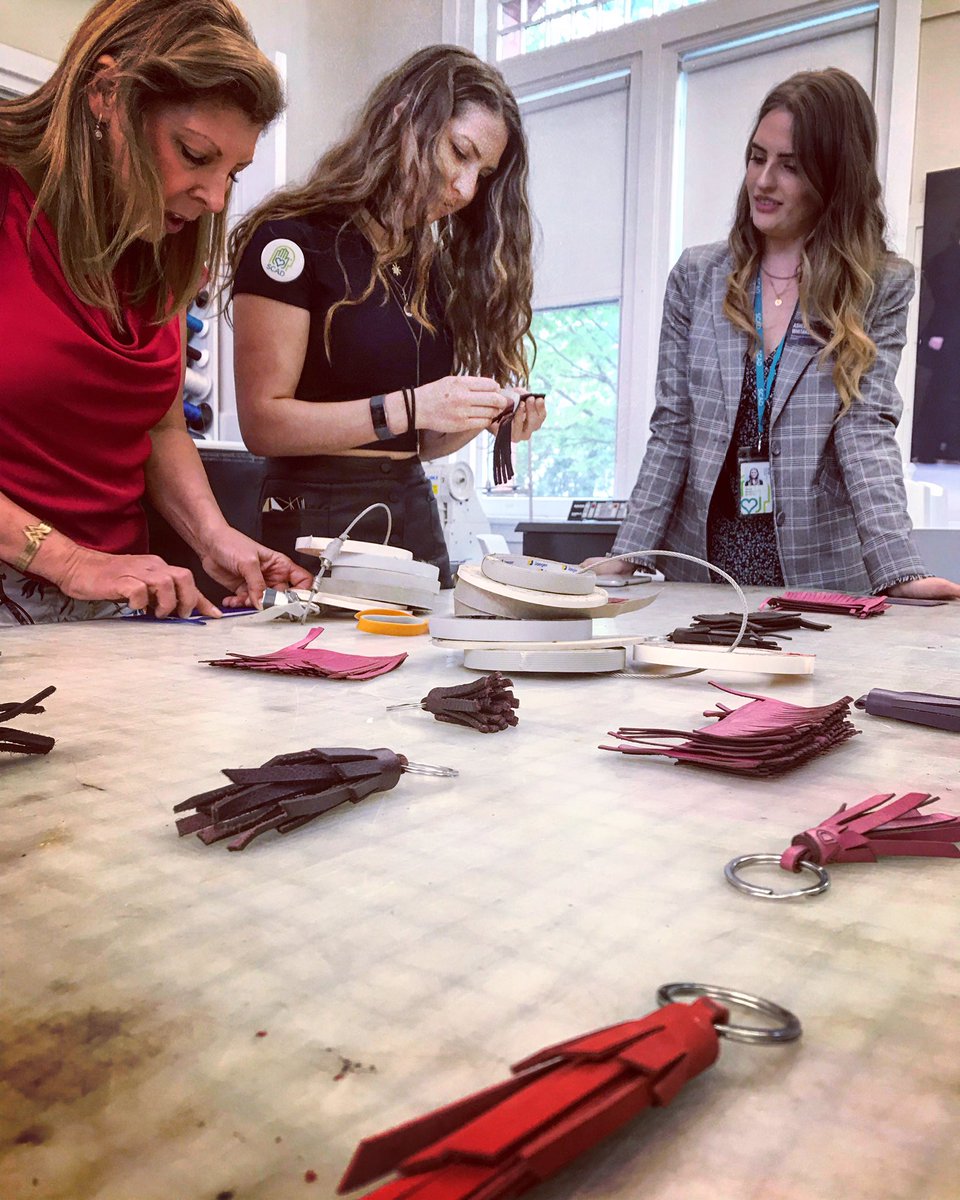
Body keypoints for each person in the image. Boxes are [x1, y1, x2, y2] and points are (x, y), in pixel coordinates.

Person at [590, 68, 960, 599]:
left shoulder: (878, 284)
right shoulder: (697, 277)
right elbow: (674, 428)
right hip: (703, 572)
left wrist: (899, 569)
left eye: (789, 166)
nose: (763, 181)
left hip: (819, 574)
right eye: (756, 157)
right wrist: (625, 555)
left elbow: (865, 430)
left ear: (834, 177)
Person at [0, 0, 313, 624]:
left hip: (113, 601)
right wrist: (69, 562)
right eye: (195, 155)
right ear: (107, 93)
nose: (215, 196)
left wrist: (213, 538)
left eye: (235, 171)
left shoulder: (156, 241)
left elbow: (158, 426)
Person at [228, 45, 545, 586]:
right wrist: (411, 406)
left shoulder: (432, 275)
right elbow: (263, 424)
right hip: (316, 516)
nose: (467, 190)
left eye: (484, 173)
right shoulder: (290, 241)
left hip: (413, 509)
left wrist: (480, 420)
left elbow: (420, 442)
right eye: (459, 152)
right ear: (403, 117)